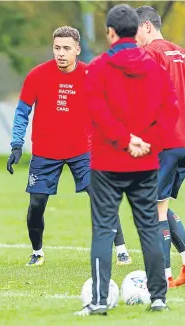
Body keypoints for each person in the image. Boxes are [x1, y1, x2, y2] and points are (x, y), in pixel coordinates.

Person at [75, 4, 179, 316]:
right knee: (148, 227)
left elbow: (95, 110)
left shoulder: (97, 67)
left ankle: (97, 302)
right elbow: (170, 110)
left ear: (109, 33)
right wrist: (149, 142)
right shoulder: (155, 67)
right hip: (146, 162)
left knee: (103, 230)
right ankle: (158, 297)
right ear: (136, 31)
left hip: (107, 163)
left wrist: (123, 140)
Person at [7, 26, 131, 267]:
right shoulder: (37, 75)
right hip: (45, 152)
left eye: (66, 48)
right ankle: (37, 252)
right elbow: (22, 112)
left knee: (101, 197)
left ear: (77, 50)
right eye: (56, 48)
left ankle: (122, 249)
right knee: (36, 205)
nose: (60, 53)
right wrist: (16, 145)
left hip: (82, 152)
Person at [136, 5, 185, 289]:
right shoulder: (180, 52)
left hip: (166, 142)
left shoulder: (151, 53)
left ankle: (162, 276)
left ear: (146, 26)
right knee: (162, 205)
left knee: (155, 209)